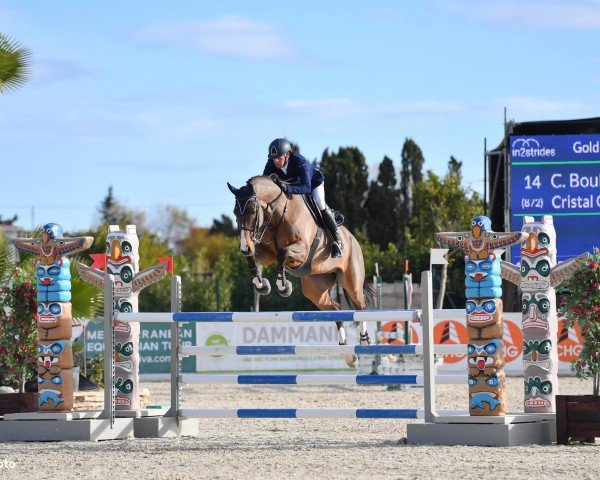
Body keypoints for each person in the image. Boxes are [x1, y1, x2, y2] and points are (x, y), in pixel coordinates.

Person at [263, 138, 343, 258]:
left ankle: (337, 240)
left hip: (313, 183)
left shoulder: (299, 161)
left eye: (279, 158)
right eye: (274, 158)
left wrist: (288, 188)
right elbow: (265, 183)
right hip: (292, 186)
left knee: (320, 203)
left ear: (287, 154)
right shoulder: (271, 164)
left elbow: (306, 187)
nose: (276, 161)